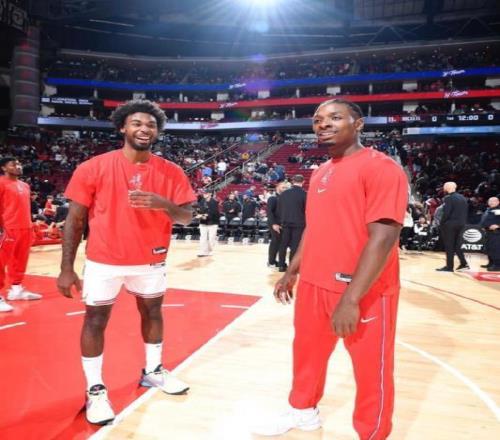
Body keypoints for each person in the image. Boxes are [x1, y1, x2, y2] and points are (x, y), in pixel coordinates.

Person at [254, 99, 408, 438]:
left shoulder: (382, 168)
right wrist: (292, 270)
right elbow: (315, 227)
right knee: (307, 354)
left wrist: (351, 298)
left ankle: (372, 433)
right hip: (314, 283)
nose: (323, 124)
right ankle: (302, 411)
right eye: (317, 120)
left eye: (335, 117)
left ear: (358, 124)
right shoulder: (322, 171)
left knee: (371, 371)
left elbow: (384, 236)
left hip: (363, 290)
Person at [56, 100, 196, 425]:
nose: (144, 129)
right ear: (123, 127)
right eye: (137, 123)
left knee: (153, 313)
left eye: (151, 125)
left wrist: (164, 205)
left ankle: (153, 371)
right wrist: (66, 268)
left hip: (150, 259)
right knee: (95, 321)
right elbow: (74, 220)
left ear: (157, 131)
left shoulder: (171, 171)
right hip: (104, 260)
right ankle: (95, 389)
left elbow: (187, 217)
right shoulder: (93, 167)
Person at [0, 157, 42, 313]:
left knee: (20, 260)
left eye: (19, 164)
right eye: (13, 164)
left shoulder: (25, 185)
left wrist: (31, 225)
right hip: (8, 228)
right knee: (1, 262)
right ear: (4, 168)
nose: (18, 166)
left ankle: (16, 289)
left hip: (25, 227)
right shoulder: (1, 183)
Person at [436, 182, 469, 272]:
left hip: (450, 224)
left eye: (444, 186)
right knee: (457, 245)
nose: (443, 188)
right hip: (461, 224)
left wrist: (442, 223)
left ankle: (449, 267)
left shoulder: (448, 198)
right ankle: (464, 263)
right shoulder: (463, 198)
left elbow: (447, 213)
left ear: (447, 187)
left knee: (449, 246)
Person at [277, 175, 307, 272]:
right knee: (295, 245)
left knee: (283, 244)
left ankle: (281, 265)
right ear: (303, 182)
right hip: (299, 223)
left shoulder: (284, 194)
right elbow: (306, 210)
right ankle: (292, 266)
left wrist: (281, 220)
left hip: (285, 222)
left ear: (293, 181)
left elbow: (279, 209)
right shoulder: (305, 194)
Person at [266, 182, 287, 268]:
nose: (285, 189)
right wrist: (274, 224)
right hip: (274, 223)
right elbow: (269, 212)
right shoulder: (272, 198)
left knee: (280, 243)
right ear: (277, 188)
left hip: (282, 223)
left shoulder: (285, 198)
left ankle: (275, 261)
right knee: (275, 242)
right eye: (283, 187)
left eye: (285, 187)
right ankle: (271, 261)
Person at [196, 191, 220, 257]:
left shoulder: (214, 202)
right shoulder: (202, 201)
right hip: (203, 222)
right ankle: (203, 251)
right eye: (204, 193)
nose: (204, 194)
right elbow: (199, 210)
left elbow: (213, 212)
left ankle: (210, 251)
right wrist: (198, 215)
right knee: (202, 237)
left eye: (206, 193)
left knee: (211, 238)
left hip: (213, 222)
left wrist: (203, 215)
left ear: (210, 194)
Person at [480, 196, 500, 271]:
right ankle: (491, 263)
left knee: (496, 249)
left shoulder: (499, 210)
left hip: (496, 233)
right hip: (488, 232)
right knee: (489, 248)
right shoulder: (488, 209)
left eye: (493, 201)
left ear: (498, 202)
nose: (491, 202)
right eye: (490, 201)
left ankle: (497, 265)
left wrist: (498, 225)